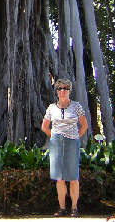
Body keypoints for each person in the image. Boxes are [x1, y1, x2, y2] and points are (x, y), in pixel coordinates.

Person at [41, 78, 88, 217]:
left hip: (72, 142)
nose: (62, 91)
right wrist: (55, 136)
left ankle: (74, 208)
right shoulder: (51, 108)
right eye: (60, 88)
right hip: (56, 144)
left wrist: (75, 137)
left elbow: (84, 125)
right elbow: (44, 127)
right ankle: (62, 208)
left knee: (73, 176)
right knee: (59, 177)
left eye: (65, 88)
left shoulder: (76, 106)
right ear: (56, 91)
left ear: (69, 90)